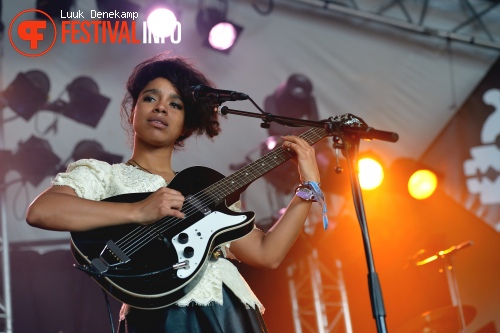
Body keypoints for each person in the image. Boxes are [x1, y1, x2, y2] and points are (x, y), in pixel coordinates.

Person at [26, 53, 322, 333]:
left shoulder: (206, 185)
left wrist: (307, 189)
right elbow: (43, 211)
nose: (161, 107)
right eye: (150, 98)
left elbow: (265, 254)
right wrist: (138, 211)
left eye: (176, 104)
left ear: (185, 125)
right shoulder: (103, 174)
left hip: (231, 311)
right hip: (162, 317)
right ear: (134, 111)